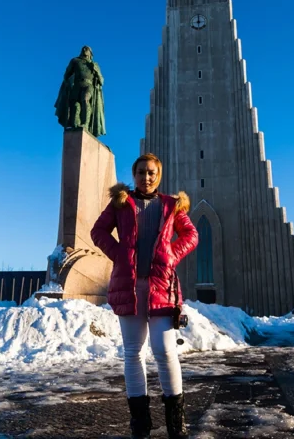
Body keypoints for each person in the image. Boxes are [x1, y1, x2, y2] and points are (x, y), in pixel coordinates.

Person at [91, 153, 198, 439]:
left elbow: (191, 234)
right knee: (132, 353)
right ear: (134, 174)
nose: (146, 177)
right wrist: (119, 255)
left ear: (158, 175)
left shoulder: (171, 205)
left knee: (164, 351)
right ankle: (140, 423)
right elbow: (98, 231)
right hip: (129, 286)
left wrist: (171, 254)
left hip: (162, 287)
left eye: (151, 172)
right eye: (141, 172)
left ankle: (176, 423)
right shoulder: (121, 203)